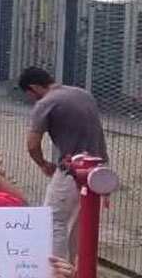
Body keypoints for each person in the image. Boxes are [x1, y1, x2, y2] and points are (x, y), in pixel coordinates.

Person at [18, 66, 109, 260]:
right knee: (79, 223)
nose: (31, 99)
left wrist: (43, 164)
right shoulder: (83, 94)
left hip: (72, 169)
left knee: (54, 219)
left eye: (29, 94)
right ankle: (75, 269)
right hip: (98, 168)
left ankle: (57, 270)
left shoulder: (45, 103)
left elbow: (32, 144)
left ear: (33, 87)